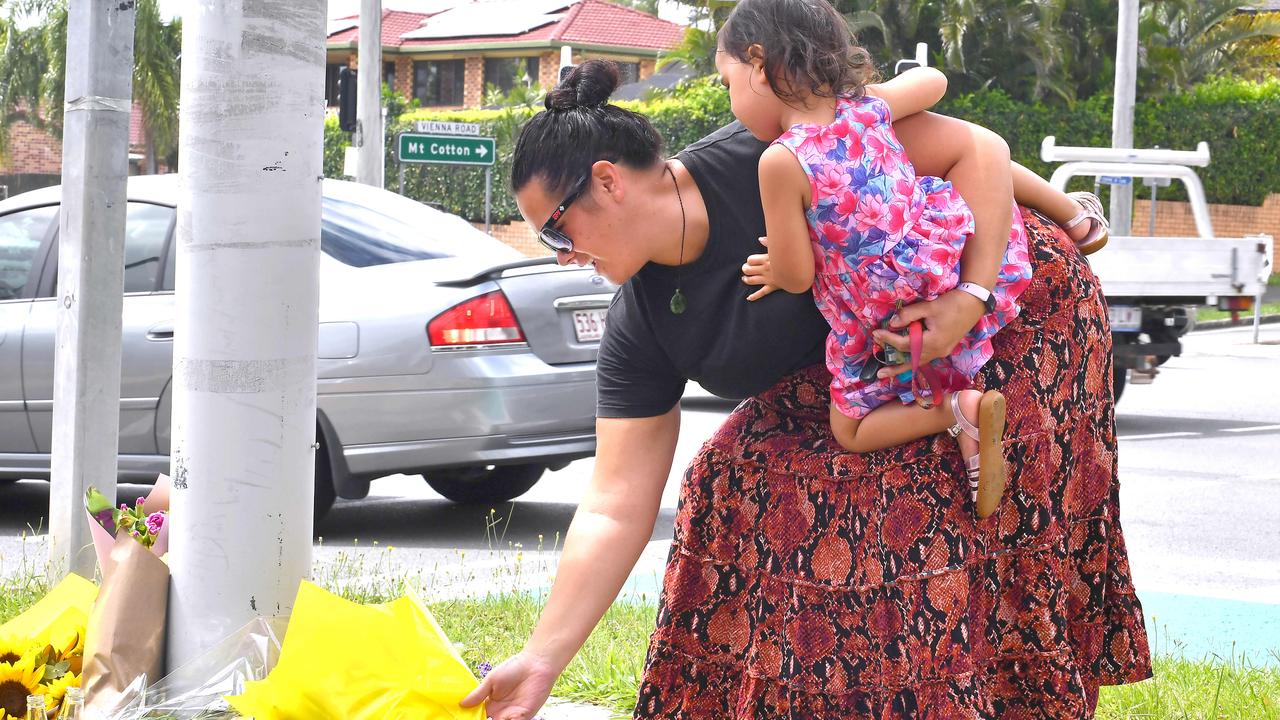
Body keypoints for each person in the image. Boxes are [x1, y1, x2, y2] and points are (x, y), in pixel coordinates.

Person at [460, 56, 1151, 719]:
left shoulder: (769, 151)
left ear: (607, 181)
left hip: (1008, 299)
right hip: (871, 360)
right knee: (725, 477)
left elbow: (972, 148)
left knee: (907, 521)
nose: (566, 257)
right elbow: (614, 504)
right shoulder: (640, 325)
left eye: (556, 233)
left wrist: (1035, 247)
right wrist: (543, 658)